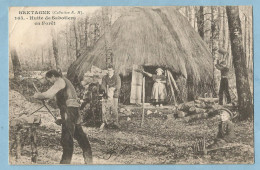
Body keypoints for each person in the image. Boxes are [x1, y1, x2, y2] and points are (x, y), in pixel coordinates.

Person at [33, 70, 93, 164]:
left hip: (70, 111)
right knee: (79, 135)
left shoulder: (60, 81)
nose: (50, 82)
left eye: (49, 79)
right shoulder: (64, 82)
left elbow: (48, 94)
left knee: (67, 138)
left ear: (53, 76)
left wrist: (38, 95)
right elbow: (58, 98)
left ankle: (65, 163)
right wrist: (62, 119)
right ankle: (89, 160)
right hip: (72, 111)